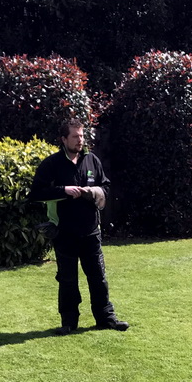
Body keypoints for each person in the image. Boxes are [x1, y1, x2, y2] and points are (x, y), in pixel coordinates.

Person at [30, 119, 128, 335]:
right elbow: (36, 194)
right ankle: (68, 322)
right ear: (64, 139)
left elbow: (106, 187)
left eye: (82, 136)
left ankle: (106, 318)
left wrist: (93, 192)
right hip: (64, 232)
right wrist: (63, 190)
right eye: (75, 136)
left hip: (91, 231)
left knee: (98, 277)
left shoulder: (92, 160)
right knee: (67, 279)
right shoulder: (52, 164)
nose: (80, 140)